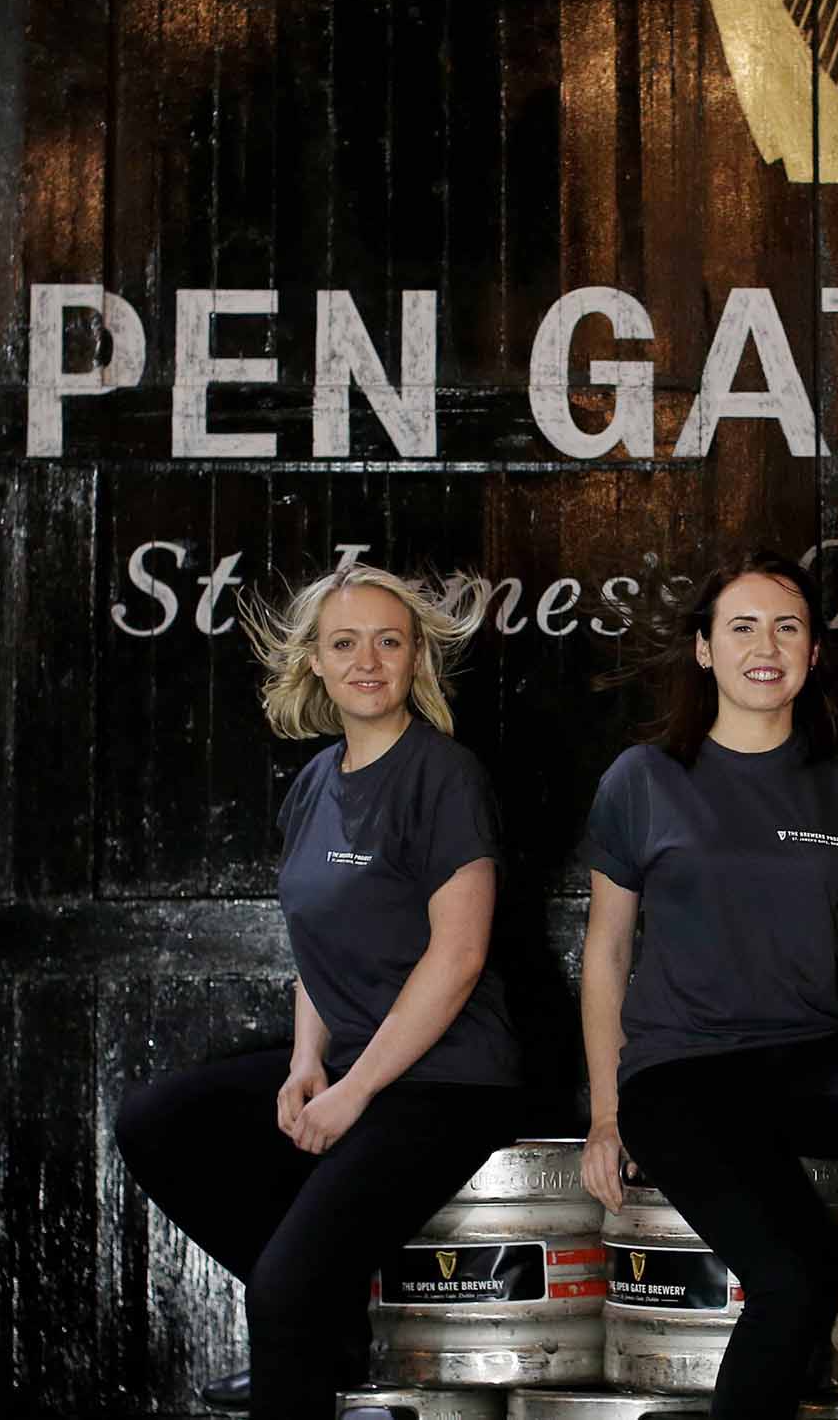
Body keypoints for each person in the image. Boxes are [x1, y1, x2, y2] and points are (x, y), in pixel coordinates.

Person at [112, 562, 523, 1420]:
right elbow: (318, 950)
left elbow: (458, 956)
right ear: (316, 664)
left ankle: (304, 1319)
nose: (367, 659)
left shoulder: (445, 776)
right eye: (345, 642)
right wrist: (306, 1064)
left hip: (447, 1079)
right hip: (356, 1067)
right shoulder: (312, 785)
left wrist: (352, 1093)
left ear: (416, 659)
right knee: (157, 1122)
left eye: (388, 640)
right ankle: (322, 1324)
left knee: (283, 1290)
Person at [577, 550, 838, 1418]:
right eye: (741, 625)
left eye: (788, 626)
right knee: (795, 1277)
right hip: (682, 1076)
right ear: (705, 650)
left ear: (814, 651)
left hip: (807, 1059)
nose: (766, 644)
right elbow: (605, 953)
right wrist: (606, 1111)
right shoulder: (643, 781)